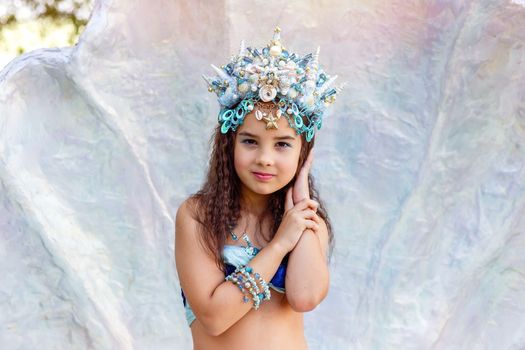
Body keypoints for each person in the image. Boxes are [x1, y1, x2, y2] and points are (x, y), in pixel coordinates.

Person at [175, 27, 344, 349]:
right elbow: (213, 317)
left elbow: (305, 297)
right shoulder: (198, 216)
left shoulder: (308, 223)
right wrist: (279, 245)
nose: (265, 159)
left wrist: (300, 215)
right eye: (250, 141)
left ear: (302, 153)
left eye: (282, 144)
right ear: (229, 144)